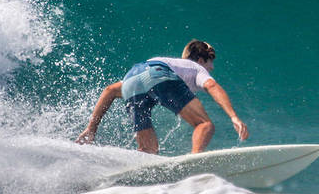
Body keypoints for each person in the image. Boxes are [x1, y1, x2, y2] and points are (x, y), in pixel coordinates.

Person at [75, 40, 249, 154]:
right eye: (211, 61)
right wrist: (234, 117)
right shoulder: (196, 68)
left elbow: (109, 90)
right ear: (201, 60)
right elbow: (212, 85)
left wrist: (91, 129)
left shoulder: (171, 62)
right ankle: (196, 164)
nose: (211, 67)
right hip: (158, 74)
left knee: (148, 151)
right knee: (204, 124)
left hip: (132, 79)